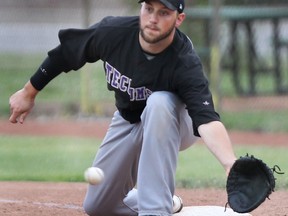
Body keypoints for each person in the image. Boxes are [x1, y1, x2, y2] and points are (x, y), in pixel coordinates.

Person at [9, 0, 237, 215]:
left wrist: (229, 163)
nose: (153, 18)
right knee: (98, 206)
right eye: (148, 8)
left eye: (164, 12)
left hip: (177, 123)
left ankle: (155, 210)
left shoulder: (184, 62)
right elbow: (66, 53)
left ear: (179, 19)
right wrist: (28, 92)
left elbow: (206, 118)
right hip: (129, 119)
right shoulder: (114, 33)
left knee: (159, 102)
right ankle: (166, 202)